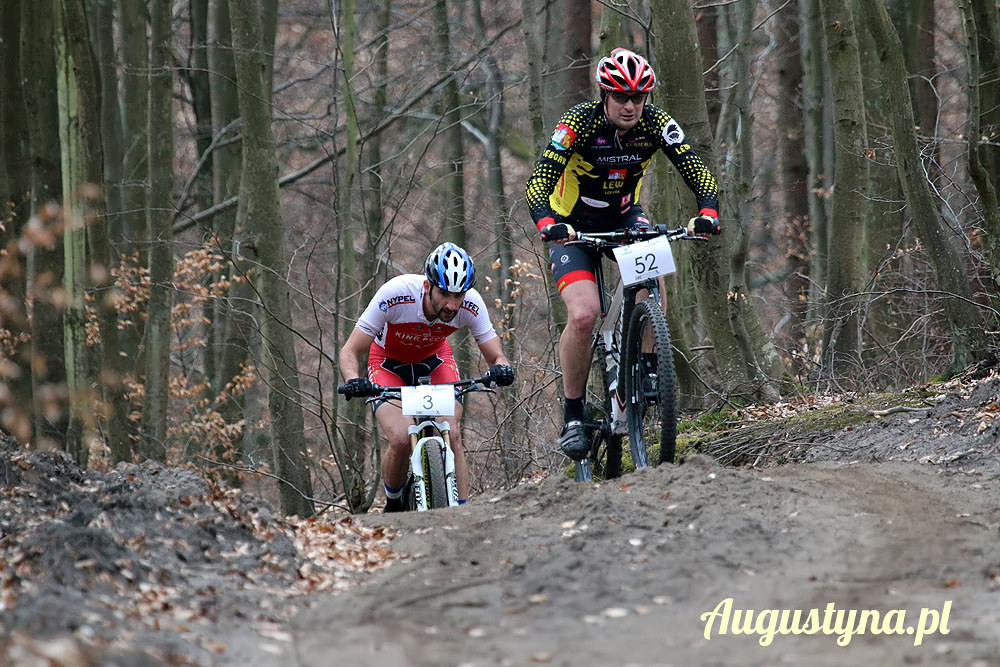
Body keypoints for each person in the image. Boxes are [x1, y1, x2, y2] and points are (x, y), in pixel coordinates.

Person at [524, 47, 721, 460]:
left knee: (653, 274)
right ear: (604, 95)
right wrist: (547, 223)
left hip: (626, 215)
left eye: (638, 97)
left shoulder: (656, 122)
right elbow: (538, 181)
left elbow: (696, 169)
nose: (631, 106)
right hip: (571, 224)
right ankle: (574, 412)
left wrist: (707, 209)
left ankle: (649, 367)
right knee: (583, 314)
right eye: (621, 97)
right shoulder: (578, 122)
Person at [338, 242, 515, 511]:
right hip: (388, 364)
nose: (452, 304)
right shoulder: (396, 295)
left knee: (452, 432)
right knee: (400, 437)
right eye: (444, 293)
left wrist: (502, 368)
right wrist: (353, 379)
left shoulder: (472, 305)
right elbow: (350, 350)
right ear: (427, 286)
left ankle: (464, 512)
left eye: (459, 296)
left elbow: (496, 356)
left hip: (435, 362)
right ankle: (395, 504)